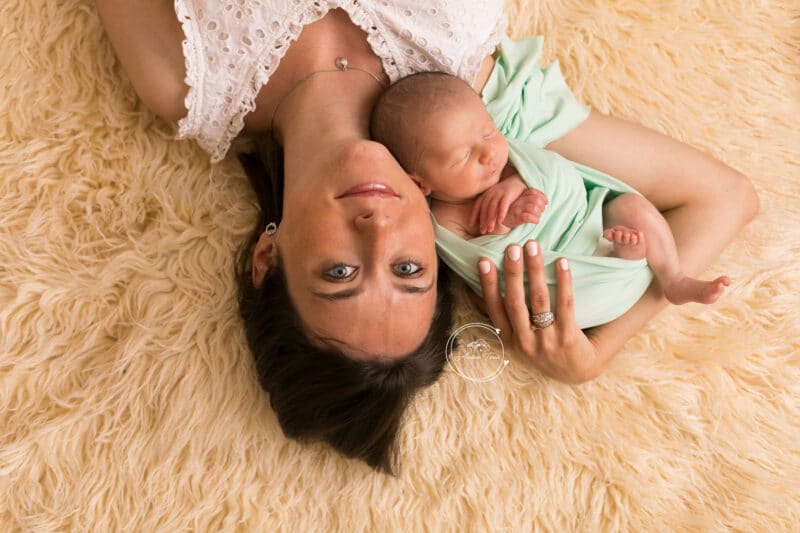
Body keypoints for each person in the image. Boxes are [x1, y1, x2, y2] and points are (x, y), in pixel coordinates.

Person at [95, 1, 759, 474]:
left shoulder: (183, 76)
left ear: (268, 257)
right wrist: (599, 352)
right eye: (408, 268)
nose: (379, 230)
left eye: (340, 274)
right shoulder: (487, 121)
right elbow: (725, 197)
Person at [370, 72, 732, 329]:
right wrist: (508, 221)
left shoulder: (509, 162)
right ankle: (622, 258)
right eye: (463, 157)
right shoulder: (446, 221)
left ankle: (673, 276)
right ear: (421, 183)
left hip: (588, 225)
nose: (488, 154)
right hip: (565, 286)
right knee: (568, 279)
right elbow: (488, 260)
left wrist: (520, 184)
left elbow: (555, 174)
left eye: (488, 132)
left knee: (632, 208)